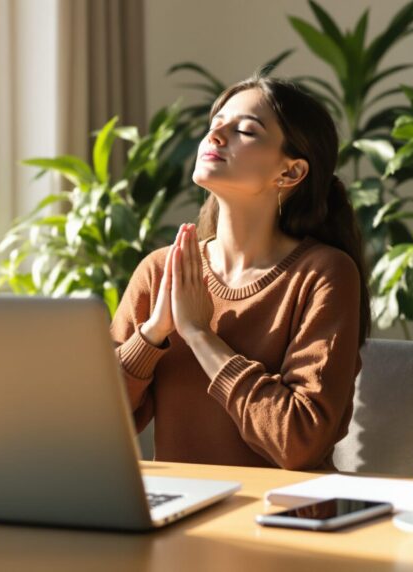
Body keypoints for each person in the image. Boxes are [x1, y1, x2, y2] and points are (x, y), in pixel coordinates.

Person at [111, 75, 371, 471]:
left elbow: (298, 442)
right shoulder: (162, 271)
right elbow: (94, 425)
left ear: (290, 172)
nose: (215, 135)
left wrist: (199, 335)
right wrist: (151, 335)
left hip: (285, 517)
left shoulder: (324, 274)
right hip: (184, 511)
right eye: (216, 123)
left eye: (245, 130)